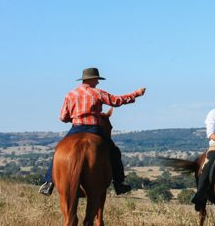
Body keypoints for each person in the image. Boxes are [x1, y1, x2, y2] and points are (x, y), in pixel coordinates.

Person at [39, 67, 146, 196]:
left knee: (58, 152)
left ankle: (49, 183)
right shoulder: (97, 93)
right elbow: (116, 101)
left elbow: (63, 117)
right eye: (97, 80)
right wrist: (136, 94)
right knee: (114, 152)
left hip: (76, 128)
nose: (98, 83)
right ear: (92, 79)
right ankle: (119, 183)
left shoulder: (70, 95)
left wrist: (75, 117)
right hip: (95, 129)